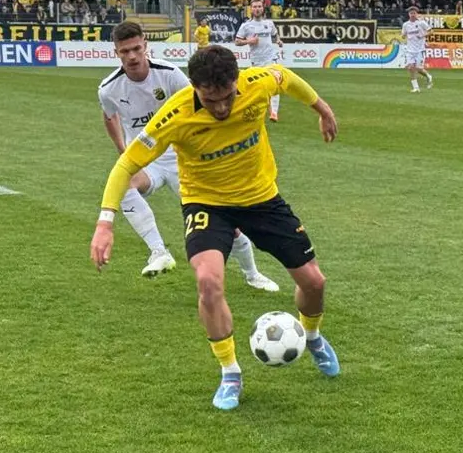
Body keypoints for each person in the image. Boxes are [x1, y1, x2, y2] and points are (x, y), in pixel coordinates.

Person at [91, 46, 340, 411]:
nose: (221, 108)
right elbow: (125, 165)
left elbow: (286, 78)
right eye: (210, 100)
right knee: (208, 281)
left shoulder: (257, 83)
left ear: (237, 82)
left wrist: (322, 109)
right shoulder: (173, 115)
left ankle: (313, 337)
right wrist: (105, 222)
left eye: (226, 98)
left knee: (314, 282)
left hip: (262, 199)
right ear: (195, 88)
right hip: (207, 204)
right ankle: (230, 372)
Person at [97, 21, 279, 291]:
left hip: (185, 159)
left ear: (146, 45)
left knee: (228, 222)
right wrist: (123, 150)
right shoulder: (109, 88)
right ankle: (158, 251)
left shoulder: (169, 74)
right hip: (149, 160)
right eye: (125, 51)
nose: (132, 56)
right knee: (123, 185)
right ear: (116, 53)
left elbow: (199, 102)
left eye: (136, 48)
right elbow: (108, 115)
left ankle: (252, 273)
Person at [233, 0, 283, 121]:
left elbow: (275, 34)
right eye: (254, 7)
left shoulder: (269, 23)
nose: (257, 9)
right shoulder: (246, 26)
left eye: (259, 6)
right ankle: (261, 108)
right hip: (257, 61)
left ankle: (274, 113)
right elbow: (237, 42)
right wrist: (249, 41)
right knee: (260, 86)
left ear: (263, 8)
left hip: (271, 58)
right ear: (251, 9)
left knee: (276, 83)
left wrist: (278, 40)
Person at [400, 6, 433, 93]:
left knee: (418, 68)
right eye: (411, 13)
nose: (413, 15)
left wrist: (422, 35)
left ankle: (428, 76)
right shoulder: (405, 25)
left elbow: (431, 31)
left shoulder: (422, 23)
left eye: (414, 13)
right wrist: (403, 35)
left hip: (420, 49)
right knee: (410, 68)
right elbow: (403, 35)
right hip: (410, 50)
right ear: (408, 14)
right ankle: (416, 87)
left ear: (417, 14)